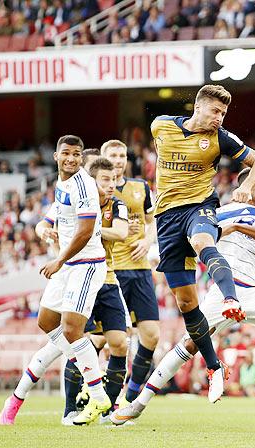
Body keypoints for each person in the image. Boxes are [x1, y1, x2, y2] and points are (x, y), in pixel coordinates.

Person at [111, 169, 255, 425]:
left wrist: (236, 227)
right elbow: (198, 238)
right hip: (223, 293)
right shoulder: (218, 213)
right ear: (245, 187)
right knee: (187, 345)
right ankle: (138, 403)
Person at [146, 84, 255, 402]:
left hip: (200, 208)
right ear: (197, 108)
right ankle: (215, 367)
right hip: (166, 219)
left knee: (203, 240)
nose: (219, 118)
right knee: (187, 303)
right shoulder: (160, 126)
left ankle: (231, 300)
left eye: (223, 113)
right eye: (215, 111)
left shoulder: (221, 138)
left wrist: (248, 186)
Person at [0, 135, 111, 426]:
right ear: (56, 156)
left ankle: (98, 396)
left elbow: (86, 231)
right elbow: (46, 221)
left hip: (85, 265)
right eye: (66, 154)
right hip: (67, 265)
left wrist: (59, 259)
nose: (72, 159)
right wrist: (42, 231)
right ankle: (84, 365)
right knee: (46, 323)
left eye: (76, 154)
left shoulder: (84, 184)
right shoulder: (62, 185)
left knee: (73, 330)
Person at [61, 155, 131, 425]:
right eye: (105, 180)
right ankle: (70, 408)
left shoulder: (118, 204)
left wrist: (91, 229)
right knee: (81, 341)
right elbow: (55, 226)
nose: (112, 185)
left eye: (114, 179)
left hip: (109, 279)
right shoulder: (76, 200)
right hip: (82, 278)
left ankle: (108, 409)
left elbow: (121, 233)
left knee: (120, 343)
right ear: (92, 182)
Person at [100, 139, 161, 405]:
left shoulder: (140, 187)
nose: (118, 159)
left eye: (122, 154)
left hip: (140, 270)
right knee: (104, 341)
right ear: (103, 159)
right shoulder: (97, 193)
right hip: (111, 272)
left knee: (151, 335)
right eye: (112, 154)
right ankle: (97, 397)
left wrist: (147, 243)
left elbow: (152, 222)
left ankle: (130, 397)